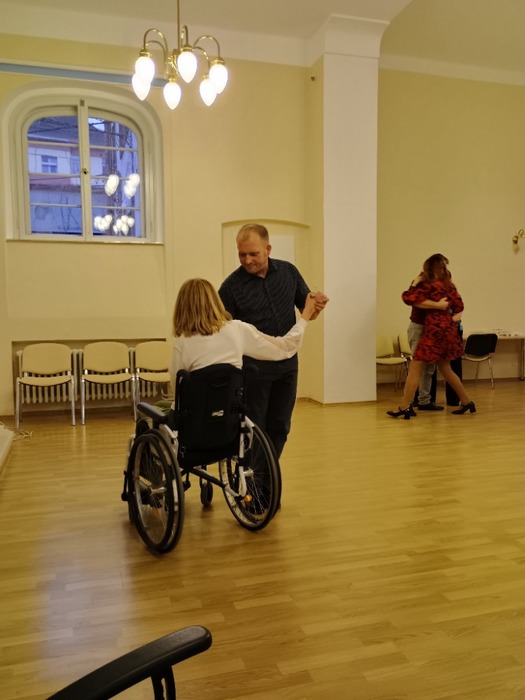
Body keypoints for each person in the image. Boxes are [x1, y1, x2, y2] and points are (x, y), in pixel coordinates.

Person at [219, 223, 328, 459]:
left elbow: (308, 311)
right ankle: (257, 479)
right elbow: (224, 333)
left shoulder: (289, 272)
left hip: (288, 364)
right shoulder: (230, 288)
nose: (247, 260)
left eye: (253, 254)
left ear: (268, 249)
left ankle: (268, 475)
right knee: (255, 429)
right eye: (242, 254)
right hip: (254, 368)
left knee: (280, 426)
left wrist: (317, 306)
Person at [169, 278, 318, 389]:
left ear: (181, 308)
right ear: (215, 301)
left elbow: (177, 389)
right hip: (230, 415)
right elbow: (285, 347)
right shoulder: (237, 329)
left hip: (196, 417)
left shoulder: (182, 342)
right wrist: (306, 314)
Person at [387, 254, 475, 419]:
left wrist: (414, 284)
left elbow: (408, 297)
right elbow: (459, 306)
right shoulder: (449, 286)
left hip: (433, 332)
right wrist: (446, 317)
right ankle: (466, 401)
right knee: (446, 369)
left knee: (415, 369)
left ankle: (405, 407)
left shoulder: (428, 285)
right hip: (447, 332)